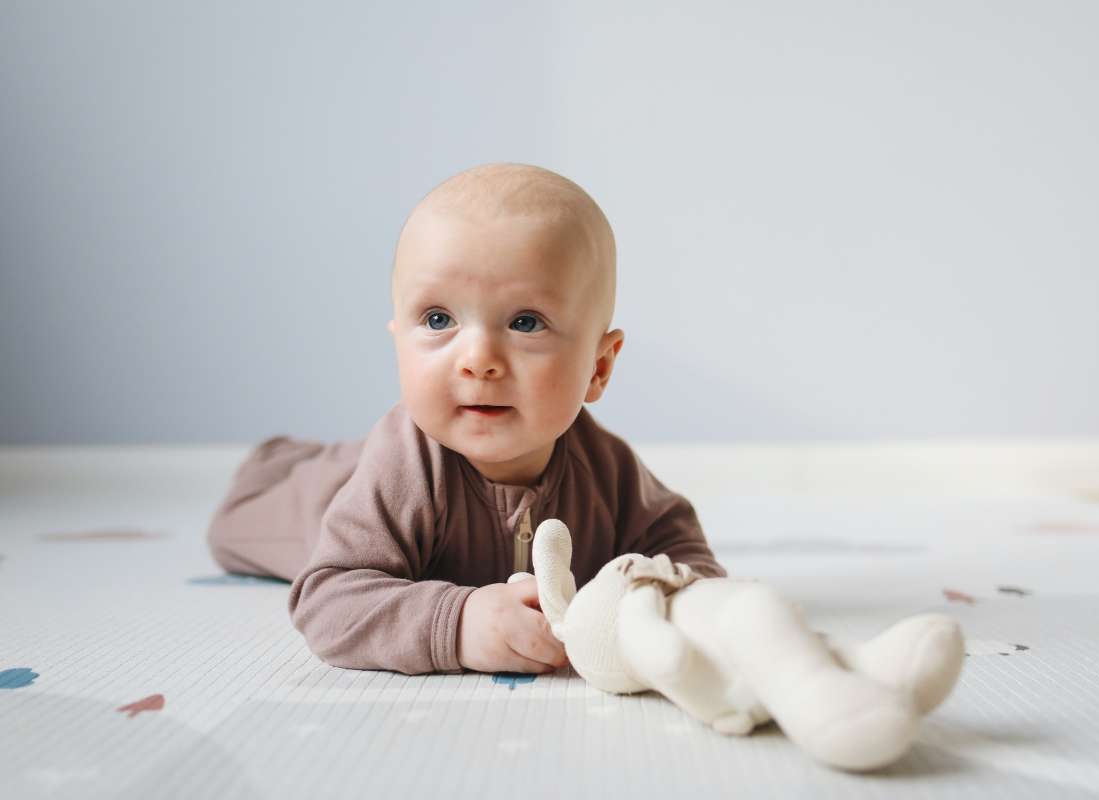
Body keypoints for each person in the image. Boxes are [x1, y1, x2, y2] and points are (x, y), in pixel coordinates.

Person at [206, 162, 726, 678]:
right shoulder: (405, 467)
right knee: (239, 527)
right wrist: (457, 624)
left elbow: (682, 550)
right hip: (307, 497)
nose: (478, 358)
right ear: (399, 344)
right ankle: (279, 460)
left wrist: (664, 603)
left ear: (598, 366)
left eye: (526, 322)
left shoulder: (605, 470)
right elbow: (327, 602)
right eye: (438, 320)